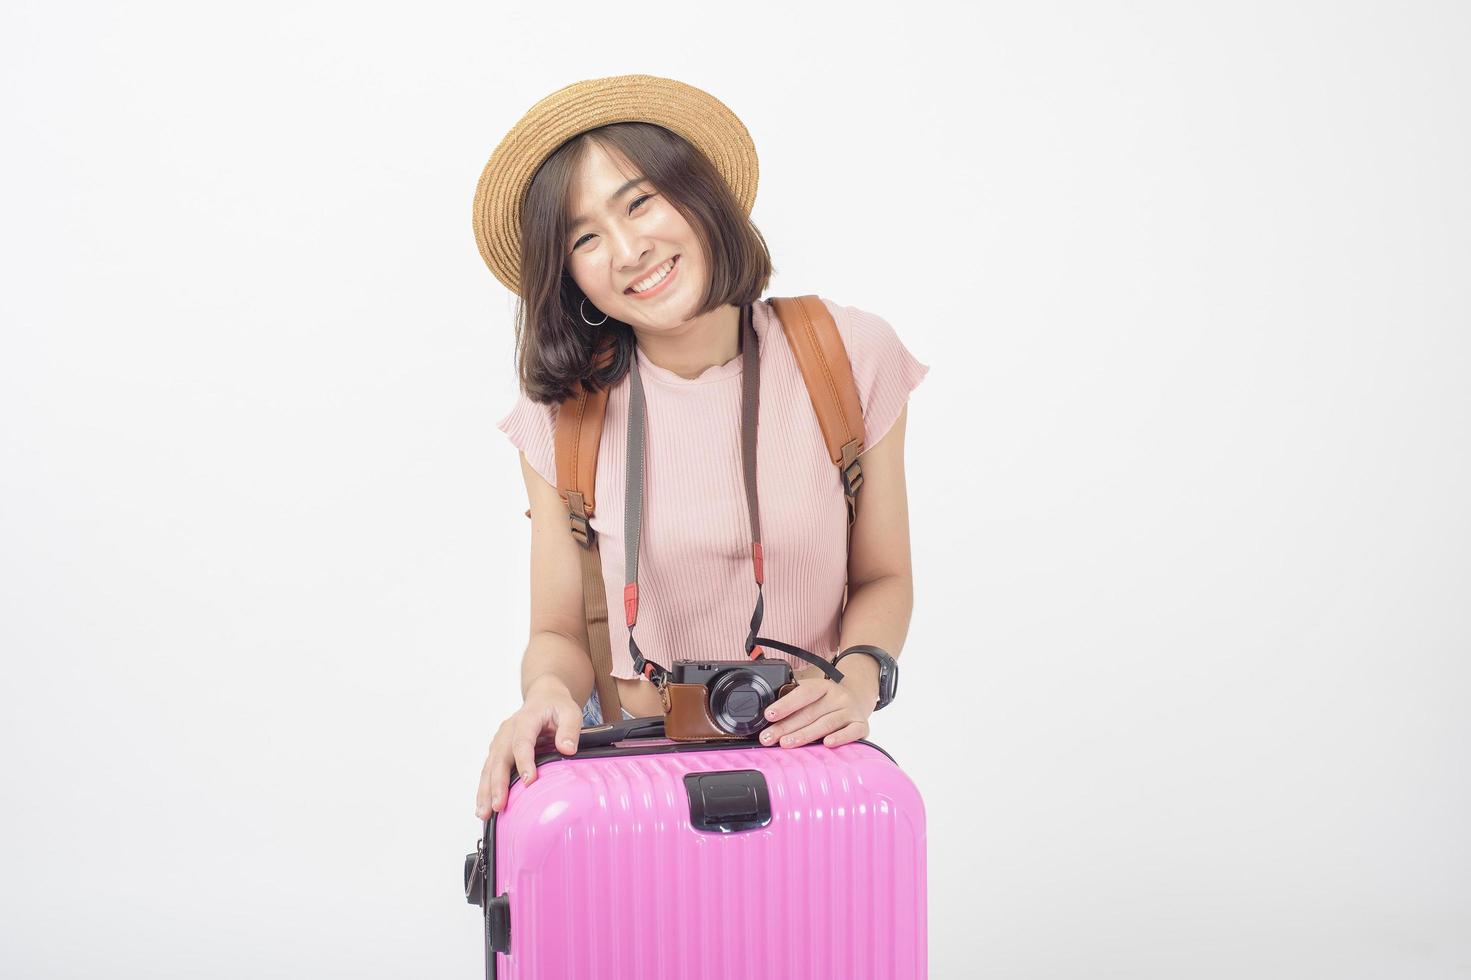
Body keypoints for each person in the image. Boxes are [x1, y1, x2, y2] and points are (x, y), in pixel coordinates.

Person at [470, 75, 929, 819]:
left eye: (640, 201)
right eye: (584, 238)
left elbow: (881, 575)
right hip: (625, 762)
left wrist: (856, 679)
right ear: (569, 276)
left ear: (700, 194)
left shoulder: (846, 356)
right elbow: (557, 630)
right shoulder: (562, 412)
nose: (626, 250)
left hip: (805, 762)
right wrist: (548, 695)